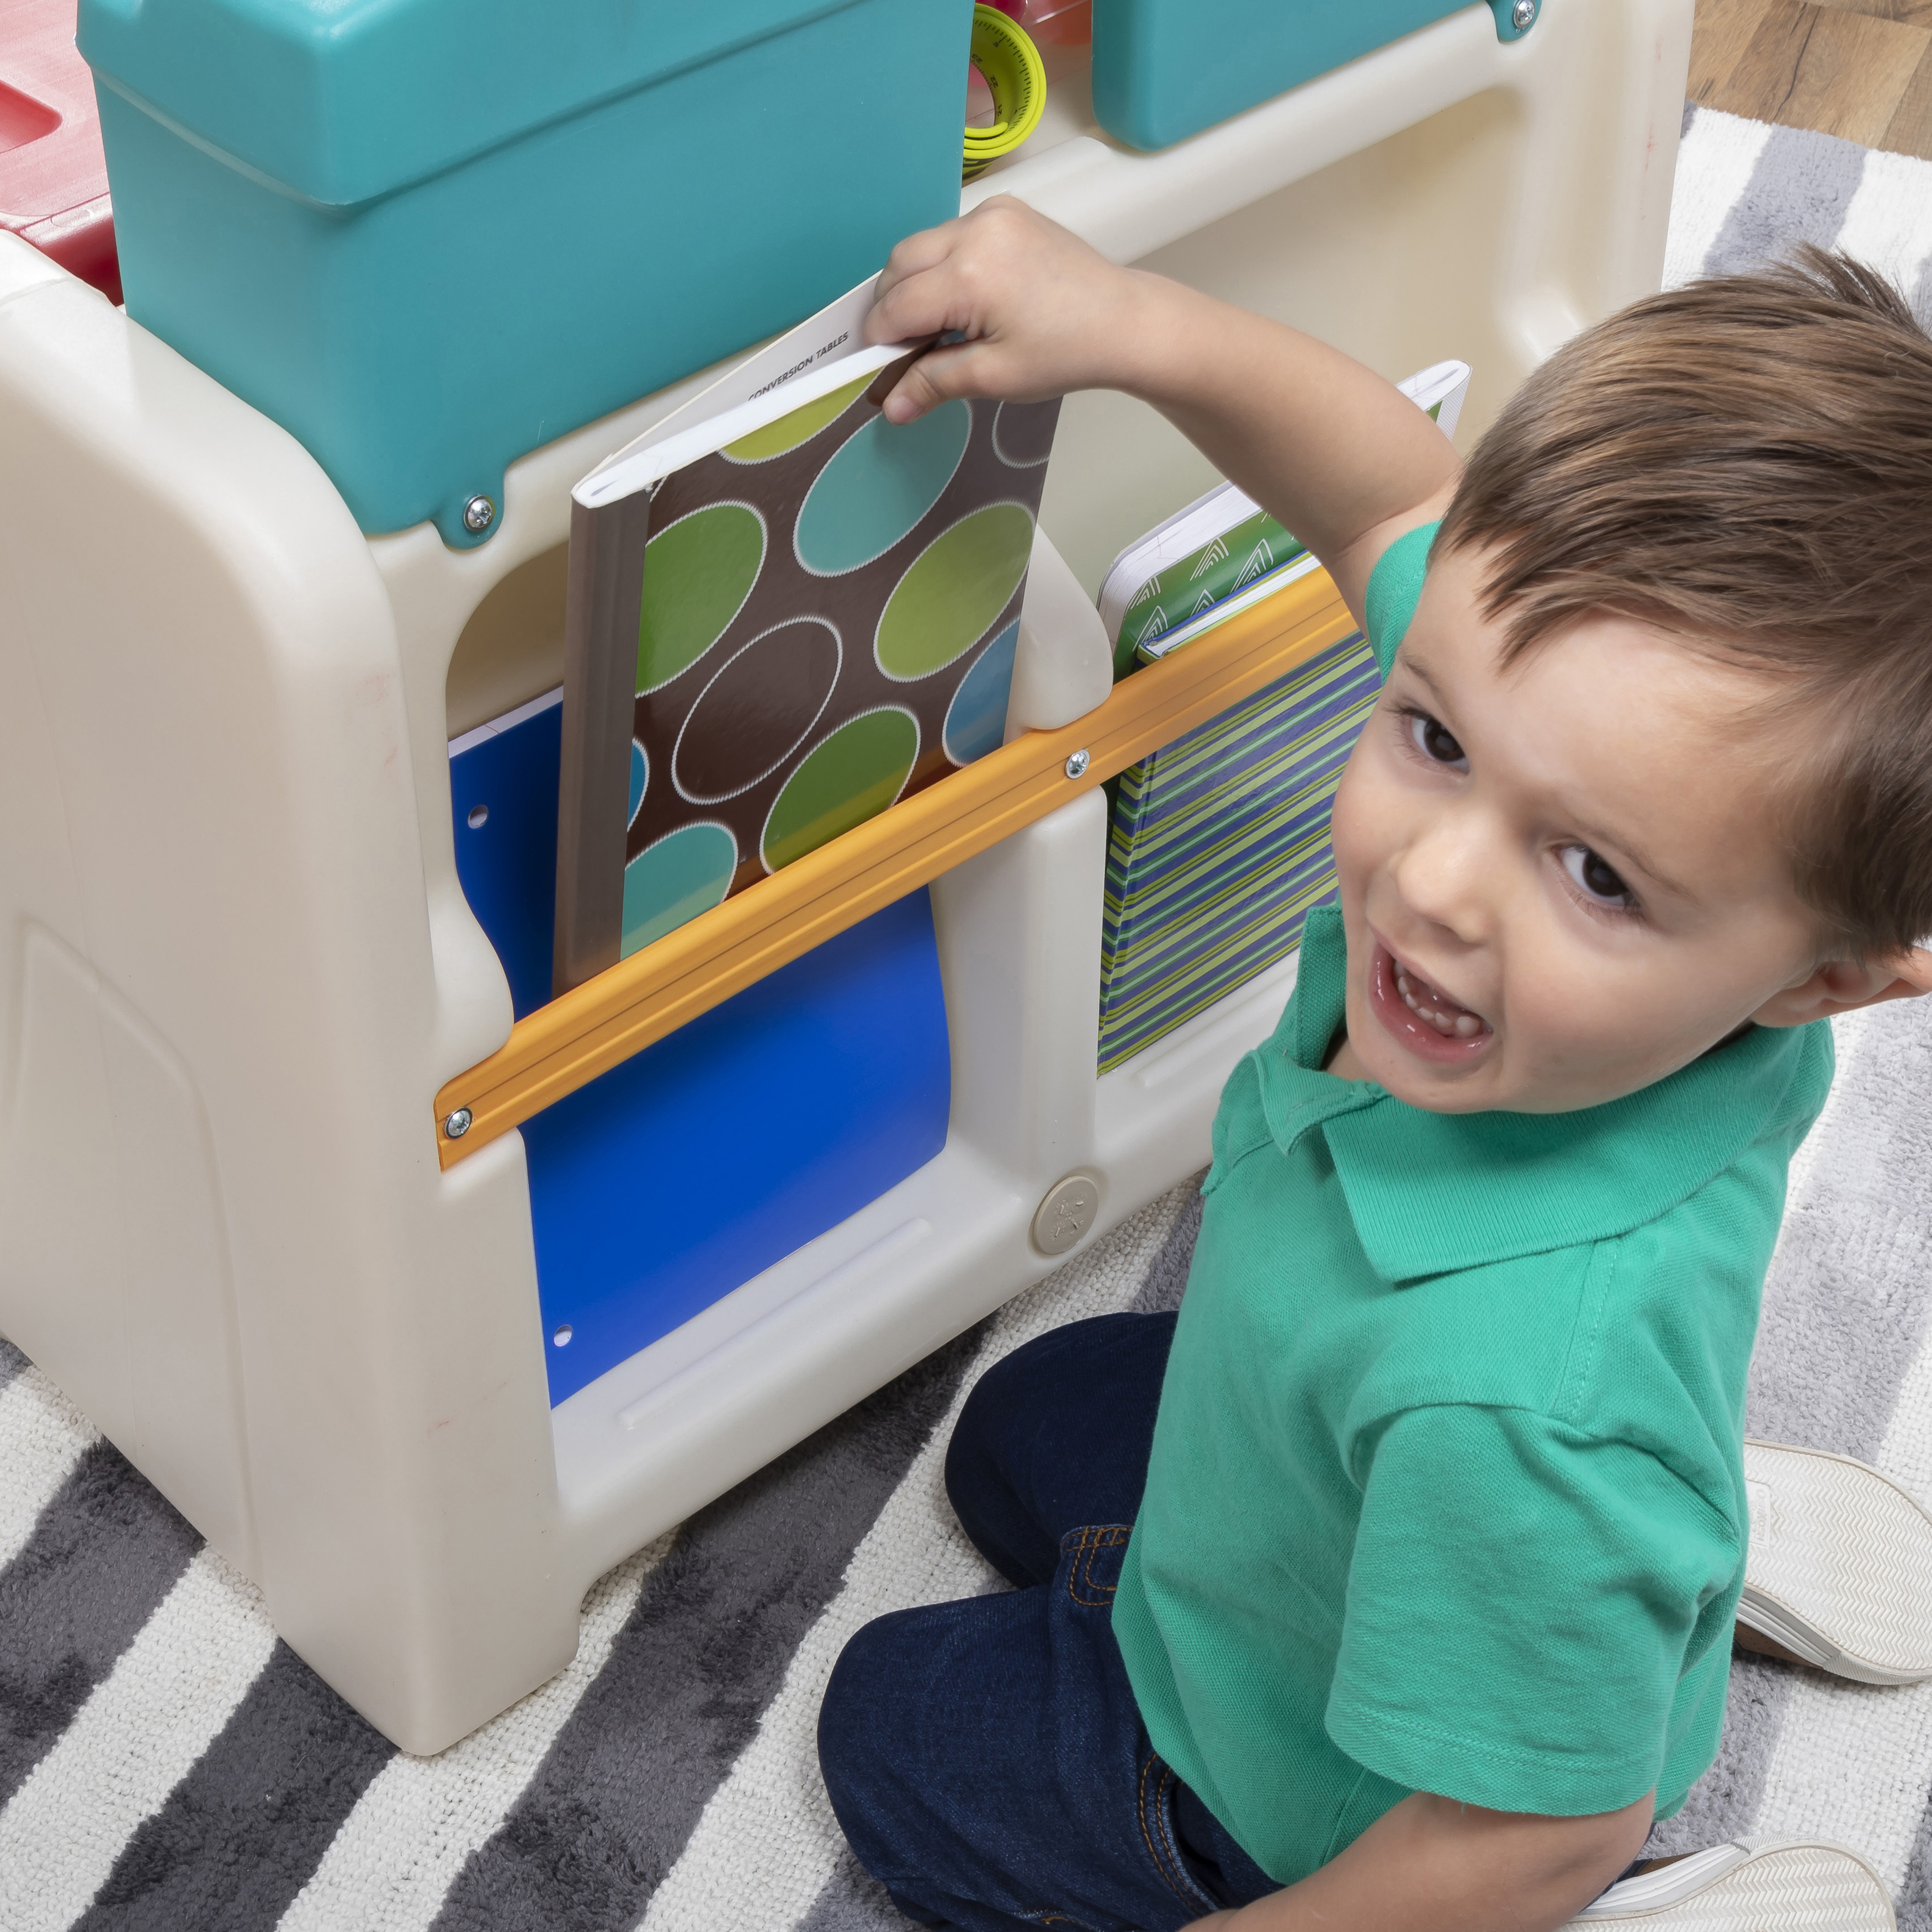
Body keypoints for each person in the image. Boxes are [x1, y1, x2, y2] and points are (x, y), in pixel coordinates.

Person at [814, 200, 1932, 1932]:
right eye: (1429, 736)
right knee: (1017, 1431)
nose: (1428, 880)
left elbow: (1522, 1840)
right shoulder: (1608, 793)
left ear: (1832, 977)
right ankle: (1640, 1574)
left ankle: (1594, 1639)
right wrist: (1123, 321)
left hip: (1297, 1805)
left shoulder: (1520, 1403)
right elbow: (1397, 501)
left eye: (1593, 874)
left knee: (887, 1720)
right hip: (1400, 1440)